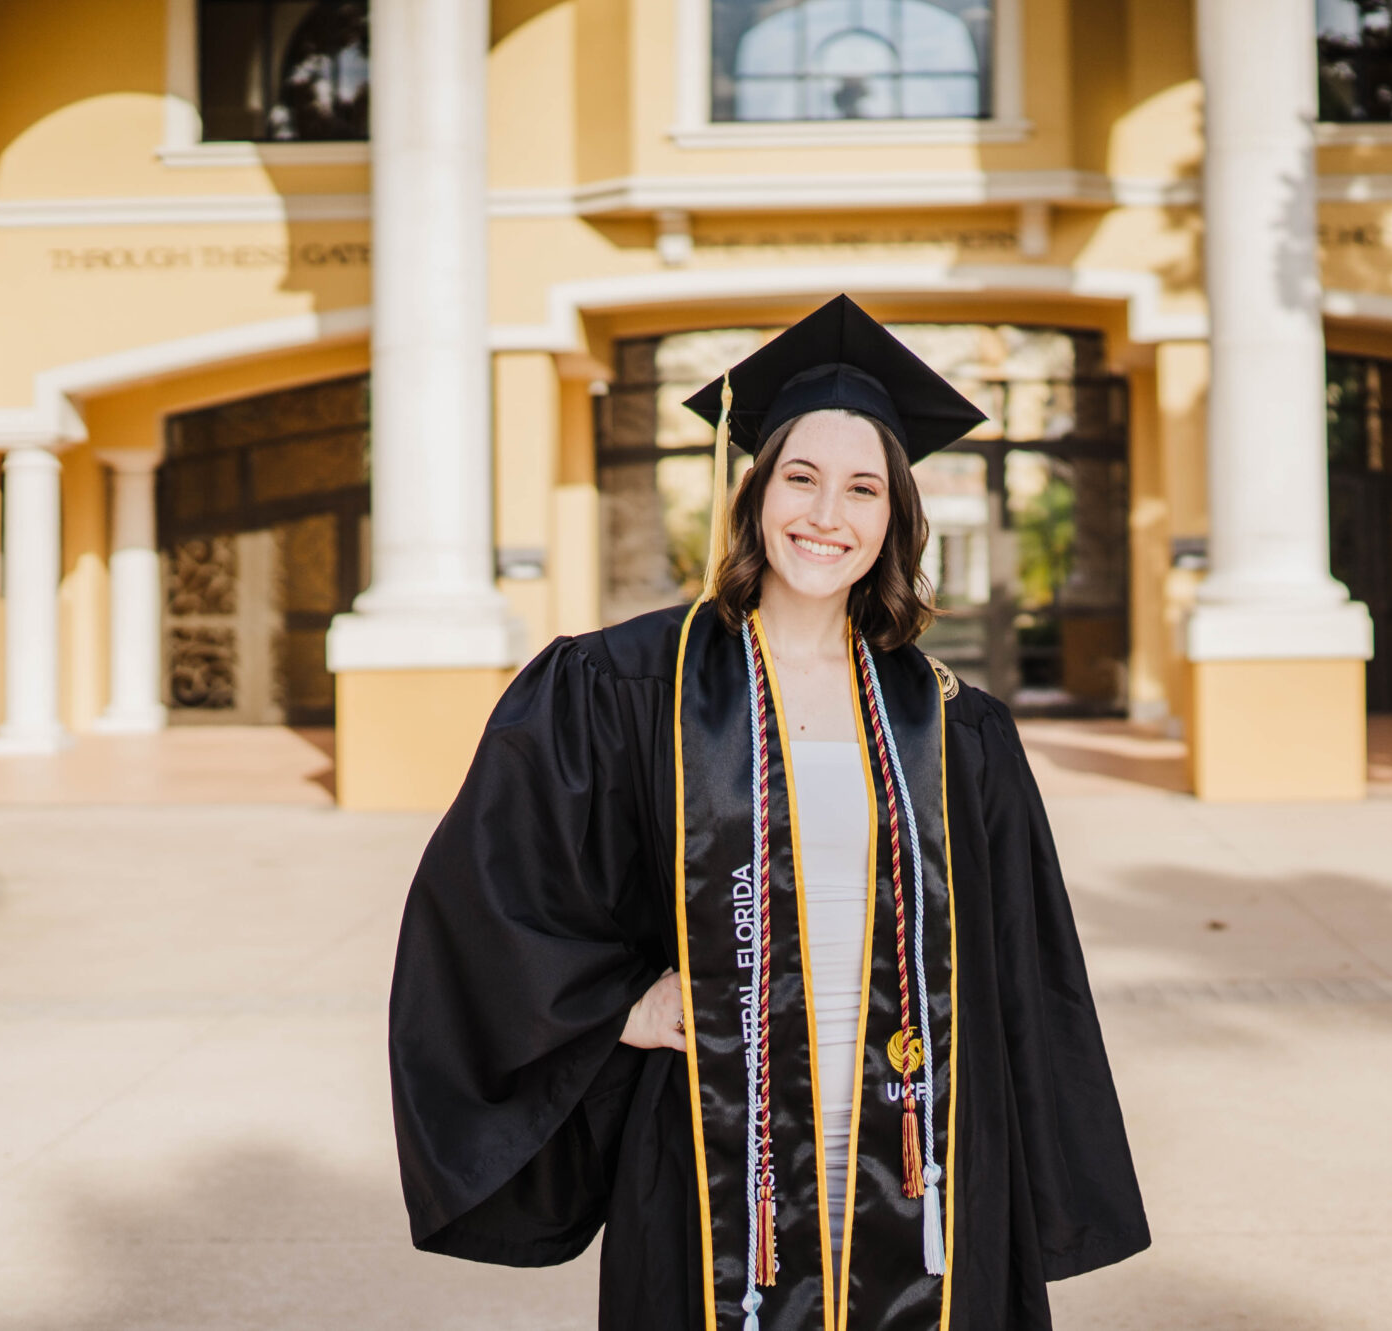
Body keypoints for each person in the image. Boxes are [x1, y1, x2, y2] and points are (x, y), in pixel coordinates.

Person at [387, 296, 1147, 1331]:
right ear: (752, 494)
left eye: (862, 488)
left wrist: (1040, 1182)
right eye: (800, 477)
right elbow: (491, 882)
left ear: (894, 520)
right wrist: (613, 1004)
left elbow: (1024, 969)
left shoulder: (955, 725)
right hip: (718, 1125)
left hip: (920, 1137)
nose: (826, 515)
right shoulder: (622, 685)